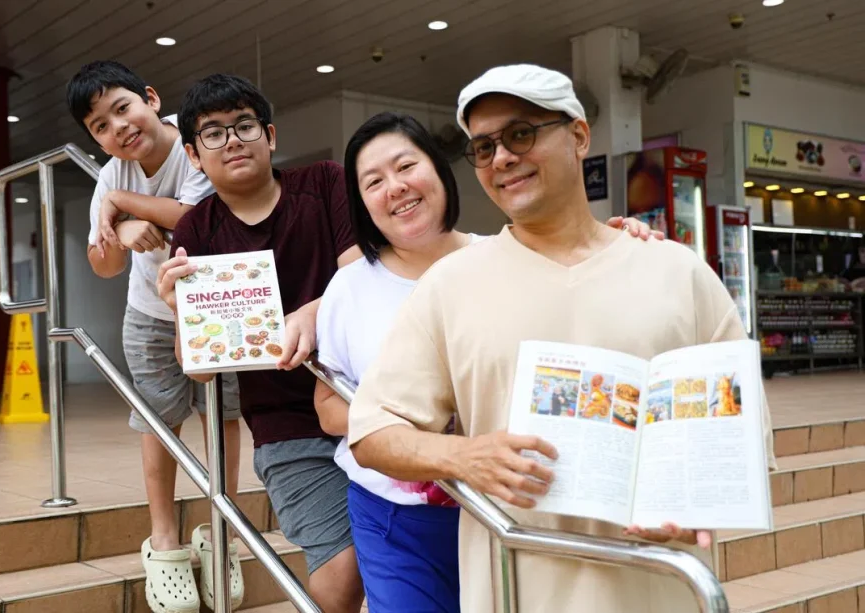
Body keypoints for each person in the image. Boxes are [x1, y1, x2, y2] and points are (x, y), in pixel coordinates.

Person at [346, 64, 777, 613]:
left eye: (521, 134)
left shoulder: (675, 272)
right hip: (517, 588)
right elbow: (372, 429)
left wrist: (703, 500)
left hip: (657, 587)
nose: (501, 158)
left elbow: (737, 432)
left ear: (578, 136)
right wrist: (463, 456)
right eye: (483, 147)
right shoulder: (451, 285)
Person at [314, 112, 660, 612]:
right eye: (373, 182)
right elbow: (328, 407)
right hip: (396, 515)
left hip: (511, 504)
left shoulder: (508, 258)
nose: (396, 188)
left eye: (406, 166)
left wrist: (614, 246)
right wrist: (424, 428)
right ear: (362, 203)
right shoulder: (348, 289)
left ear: (439, 170)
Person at [155, 74, 365, 613]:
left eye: (244, 125)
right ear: (193, 156)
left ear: (269, 135)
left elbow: (359, 280)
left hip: (368, 403)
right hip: (286, 428)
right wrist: (185, 315)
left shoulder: (324, 184)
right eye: (213, 133)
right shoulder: (197, 229)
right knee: (341, 568)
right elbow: (199, 372)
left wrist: (310, 314)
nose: (232, 140)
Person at [66, 60, 244, 613]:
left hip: (218, 302)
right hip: (148, 313)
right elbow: (103, 266)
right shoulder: (110, 176)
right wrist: (117, 227)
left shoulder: (191, 144)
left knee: (224, 417)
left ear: (149, 97)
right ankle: (164, 539)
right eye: (99, 126)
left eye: (122, 108)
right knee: (158, 422)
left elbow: (191, 215)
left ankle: (223, 533)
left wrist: (123, 207)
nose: (117, 127)